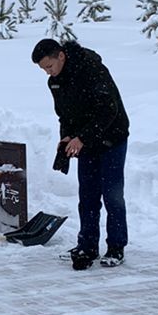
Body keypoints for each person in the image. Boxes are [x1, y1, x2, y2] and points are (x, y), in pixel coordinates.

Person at [32, 36, 130, 270]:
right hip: (86, 143)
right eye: (43, 69)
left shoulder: (92, 70)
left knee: (112, 195)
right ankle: (87, 245)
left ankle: (116, 247)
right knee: (87, 196)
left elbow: (109, 110)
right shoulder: (55, 82)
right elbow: (65, 115)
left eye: (49, 66)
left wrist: (81, 138)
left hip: (112, 138)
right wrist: (66, 136)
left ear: (61, 56)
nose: (48, 72)